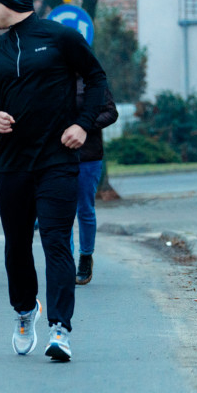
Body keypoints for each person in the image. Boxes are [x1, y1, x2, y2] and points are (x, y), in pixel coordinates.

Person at [0, 0, 109, 362]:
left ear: (9, 1)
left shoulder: (60, 37)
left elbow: (97, 78)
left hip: (57, 160)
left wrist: (83, 125)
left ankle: (60, 329)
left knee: (55, 241)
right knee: (17, 246)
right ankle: (24, 311)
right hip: (13, 165)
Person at [73, 79, 118, 285]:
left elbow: (111, 112)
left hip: (88, 154)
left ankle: (85, 257)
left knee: (84, 208)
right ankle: (65, 261)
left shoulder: (92, 80)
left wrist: (83, 126)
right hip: (57, 155)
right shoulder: (51, 75)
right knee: (61, 210)